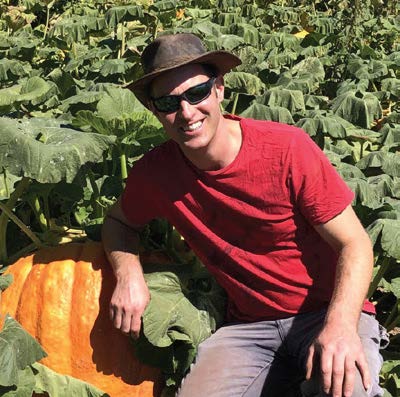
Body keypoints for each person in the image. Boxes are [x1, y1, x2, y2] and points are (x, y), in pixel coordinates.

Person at [101, 33, 387, 397]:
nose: (186, 112)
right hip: (250, 329)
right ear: (155, 110)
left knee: (349, 391)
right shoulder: (156, 173)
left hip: (328, 313)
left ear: (219, 89)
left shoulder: (286, 149)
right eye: (168, 102)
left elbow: (356, 243)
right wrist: (128, 276)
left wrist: (342, 326)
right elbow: (118, 223)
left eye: (196, 93)